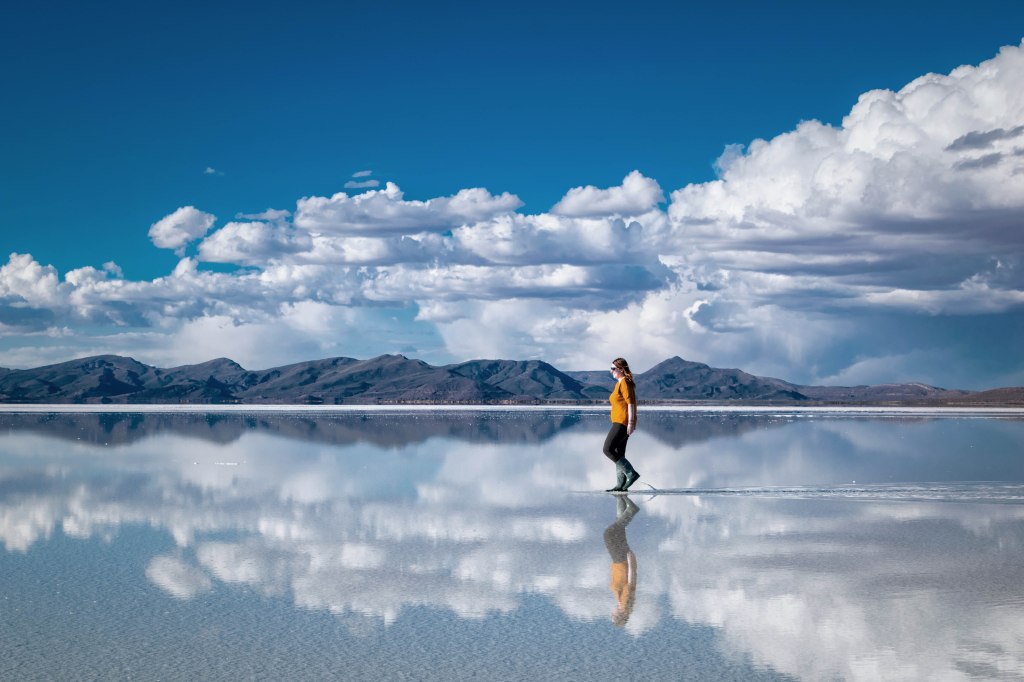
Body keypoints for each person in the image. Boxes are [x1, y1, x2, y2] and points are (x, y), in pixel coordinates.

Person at [604, 357, 640, 492]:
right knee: (619, 453)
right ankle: (620, 484)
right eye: (610, 368)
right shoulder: (619, 383)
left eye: (613, 368)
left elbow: (631, 403)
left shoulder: (625, 382)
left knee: (607, 449)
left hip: (622, 422)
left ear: (621, 369)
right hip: (619, 421)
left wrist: (630, 423)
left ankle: (631, 473)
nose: (611, 371)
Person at [604, 495, 639, 626]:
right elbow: (631, 583)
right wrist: (631, 563)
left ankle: (621, 498)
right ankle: (631, 510)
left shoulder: (621, 603)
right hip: (622, 562)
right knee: (609, 534)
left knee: (618, 530)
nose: (612, 612)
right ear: (620, 615)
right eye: (614, 615)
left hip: (618, 562)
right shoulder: (626, 604)